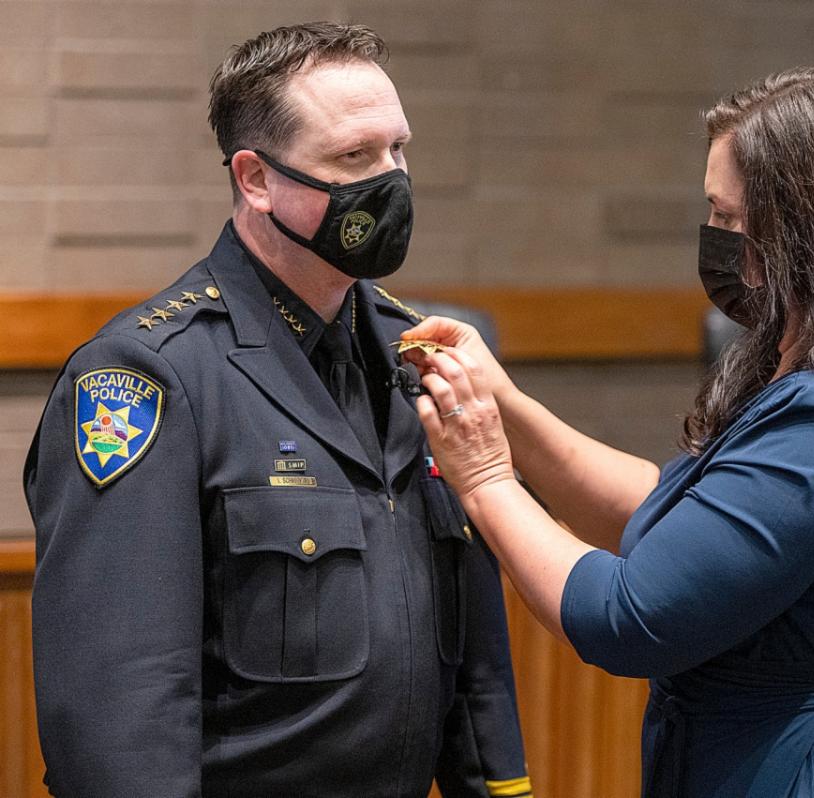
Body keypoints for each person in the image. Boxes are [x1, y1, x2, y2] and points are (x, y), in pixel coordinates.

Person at [400, 68, 814, 797]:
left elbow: (630, 619)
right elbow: (680, 515)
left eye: (727, 215)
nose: (713, 237)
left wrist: (486, 480)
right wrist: (506, 406)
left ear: (805, 231)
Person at [22, 22, 530, 798]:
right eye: (355, 158)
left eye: (398, 150)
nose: (392, 181)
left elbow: (473, 652)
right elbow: (123, 712)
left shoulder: (416, 354)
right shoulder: (150, 376)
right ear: (256, 179)